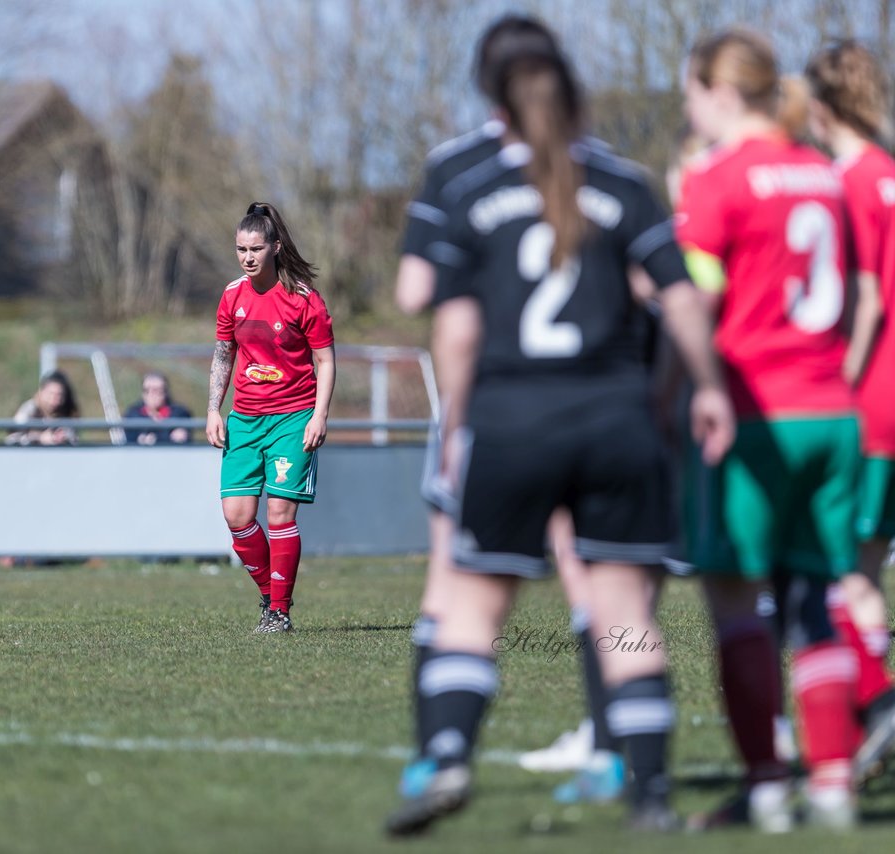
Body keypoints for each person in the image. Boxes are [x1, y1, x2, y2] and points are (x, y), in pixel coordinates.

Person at [384, 14, 734, 836]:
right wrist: (702, 390)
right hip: (616, 420)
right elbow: (678, 296)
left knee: (469, 605)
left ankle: (445, 756)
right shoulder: (622, 181)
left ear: (489, 92)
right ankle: (647, 793)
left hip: (510, 420)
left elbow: (445, 318)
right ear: (573, 92)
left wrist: (460, 422)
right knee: (622, 612)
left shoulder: (466, 182)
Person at [677, 30, 863, 831]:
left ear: (720, 92)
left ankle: (764, 788)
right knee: (816, 600)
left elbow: (696, 301)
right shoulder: (822, 173)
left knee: (735, 603)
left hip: (759, 415)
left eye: (689, 94)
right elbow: (855, 296)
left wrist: (677, 389)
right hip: (833, 413)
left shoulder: (719, 178)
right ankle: (833, 785)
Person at [805, 39, 895, 787]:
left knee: (840, 570)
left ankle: (875, 704)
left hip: (869, 402)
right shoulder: (891, 173)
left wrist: (842, 375)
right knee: (862, 565)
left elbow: (865, 299)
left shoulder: (848, 179)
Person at [206, 201, 335, 634]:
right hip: (244, 419)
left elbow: (325, 360)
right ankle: (270, 594)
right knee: (237, 517)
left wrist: (319, 415)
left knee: (280, 513)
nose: (247, 257)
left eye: (256, 248)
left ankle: (278, 612)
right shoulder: (231, 296)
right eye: (240, 248)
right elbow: (224, 354)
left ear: (275, 248)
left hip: (293, 418)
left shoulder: (303, 298)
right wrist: (213, 410)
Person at [7, 371, 79, 447]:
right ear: (41, 392)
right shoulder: (29, 409)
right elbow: (13, 439)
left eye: (59, 395)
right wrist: (39, 438)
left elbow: (73, 439)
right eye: (51, 394)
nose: (55, 400)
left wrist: (62, 438)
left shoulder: (65, 411)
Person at [122, 372, 193, 445]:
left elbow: (182, 438)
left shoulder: (180, 414)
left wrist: (153, 439)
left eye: (156, 390)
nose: (151, 394)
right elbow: (131, 439)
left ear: (165, 392)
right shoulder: (132, 415)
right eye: (147, 390)